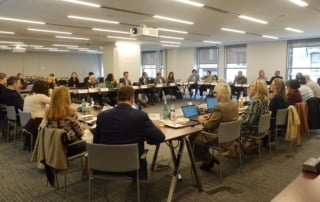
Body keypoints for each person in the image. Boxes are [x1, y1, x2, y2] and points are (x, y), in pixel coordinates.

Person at [94, 85, 165, 179]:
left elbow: (96, 141)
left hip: (106, 165)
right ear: (132, 99)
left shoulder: (102, 116)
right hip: (133, 167)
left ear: (116, 98)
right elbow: (160, 137)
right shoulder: (141, 116)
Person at [190, 83, 239, 171]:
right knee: (199, 136)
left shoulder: (219, 107)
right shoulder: (234, 104)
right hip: (230, 136)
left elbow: (209, 125)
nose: (214, 94)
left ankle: (208, 159)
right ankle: (207, 160)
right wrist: (211, 118)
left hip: (217, 138)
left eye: (215, 92)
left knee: (192, 138)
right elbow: (223, 118)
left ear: (220, 93)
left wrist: (201, 120)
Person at [23, 80, 51, 148]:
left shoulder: (29, 95)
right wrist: (52, 94)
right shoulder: (40, 96)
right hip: (37, 121)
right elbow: (54, 101)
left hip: (27, 120)